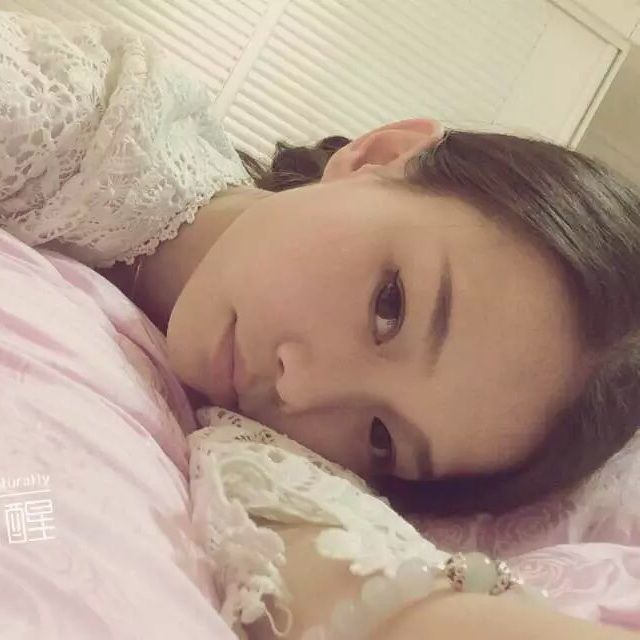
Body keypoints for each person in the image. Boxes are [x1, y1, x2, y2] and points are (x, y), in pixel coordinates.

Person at [1, 10, 639, 639]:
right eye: (389, 308)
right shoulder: (90, 116)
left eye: (383, 436)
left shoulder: (257, 450)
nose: (300, 391)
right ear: (377, 155)